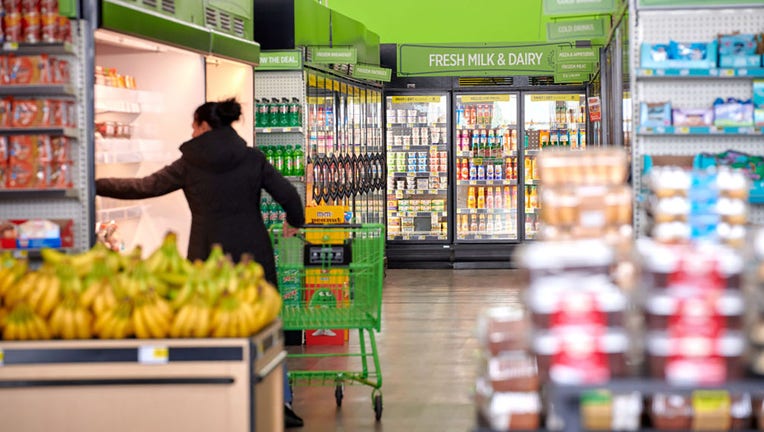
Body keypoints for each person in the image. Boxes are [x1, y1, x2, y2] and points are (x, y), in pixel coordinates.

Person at [95, 98, 305, 428]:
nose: (191, 131)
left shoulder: (189, 164)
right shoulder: (252, 158)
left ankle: (220, 402)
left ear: (205, 126)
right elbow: (288, 195)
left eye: (194, 125)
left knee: (210, 327)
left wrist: (96, 183)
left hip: (207, 257)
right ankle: (281, 403)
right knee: (265, 327)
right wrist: (296, 220)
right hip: (253, 255)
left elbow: (146, 186)